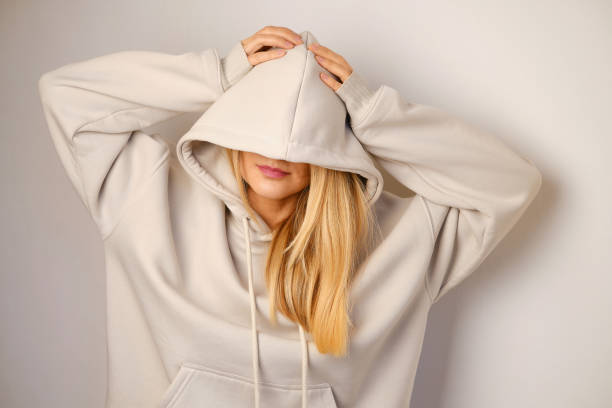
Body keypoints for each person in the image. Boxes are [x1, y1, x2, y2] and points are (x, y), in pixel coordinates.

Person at [38, 26, 542, 408]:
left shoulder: (396, 239)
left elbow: (509, 183)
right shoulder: (148, 198)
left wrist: (372, 114)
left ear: (334, 148)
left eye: (305, 139)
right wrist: (217, 75)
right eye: (260, 126)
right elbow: (68, 96)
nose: (278, 149)